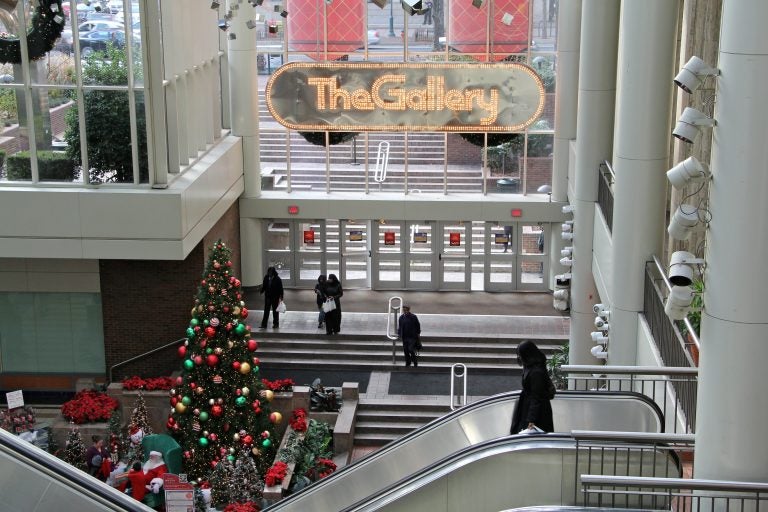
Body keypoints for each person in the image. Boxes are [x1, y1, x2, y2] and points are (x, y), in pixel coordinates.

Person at [510, 340, 555, 434]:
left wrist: (531, 420)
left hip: (536, 413)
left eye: (520, 355)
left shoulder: (536, 372)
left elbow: (536, 397)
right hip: (529, 408)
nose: (519, 358)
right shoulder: (531, 366)